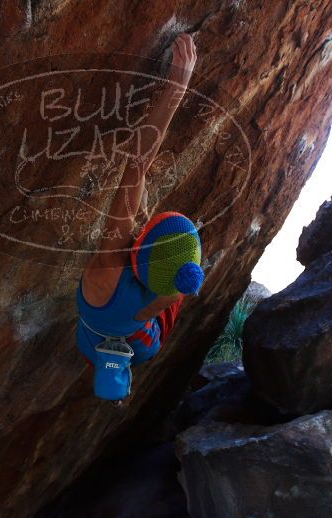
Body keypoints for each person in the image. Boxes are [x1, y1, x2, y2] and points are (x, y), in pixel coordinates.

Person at [76, 33, 203, 404]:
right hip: (140, 338)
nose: (144, 219)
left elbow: (138, 163)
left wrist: (178, 84)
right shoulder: (163, 296)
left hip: (120, 324)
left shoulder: (107, 272)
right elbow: (181, 286)